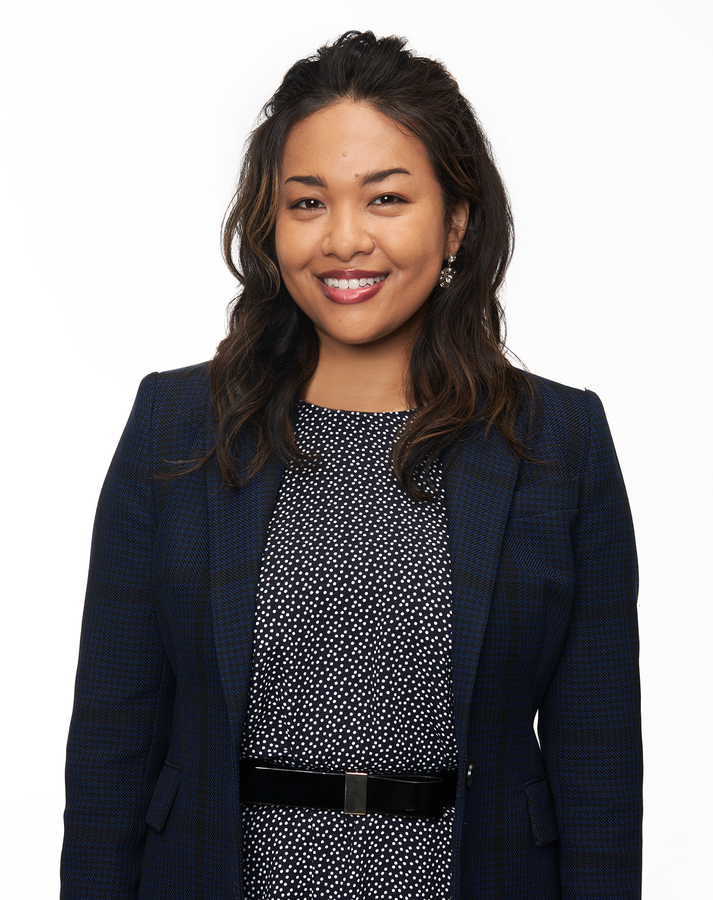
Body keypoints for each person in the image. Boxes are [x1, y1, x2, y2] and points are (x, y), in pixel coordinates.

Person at [60, 30, 642, 900]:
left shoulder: (559, 440)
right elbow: (112, 745)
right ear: (270, 223)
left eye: (385, 199)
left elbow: (597, 768)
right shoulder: (174, 425)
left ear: (455, 221)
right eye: (306, 202)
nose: (342, 239)